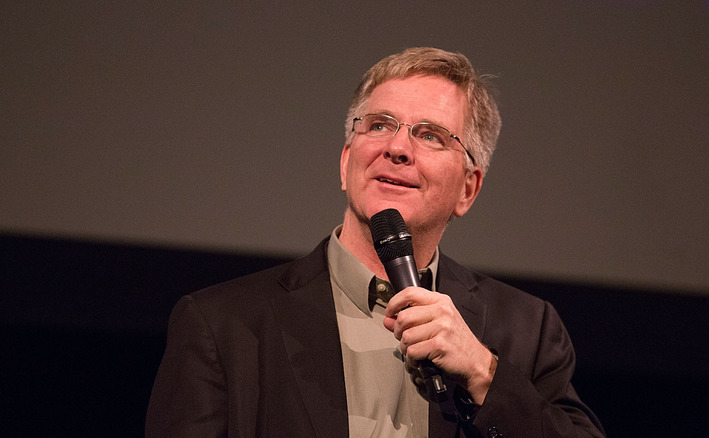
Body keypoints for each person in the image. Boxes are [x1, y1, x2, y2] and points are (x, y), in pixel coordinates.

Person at [146, 47, 605, 438]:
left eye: (430, 135)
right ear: (347, 162)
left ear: (468, 188)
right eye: (381, 125)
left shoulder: (528, 330)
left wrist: (485, 374)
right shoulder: (222, 325)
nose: (398, 147)